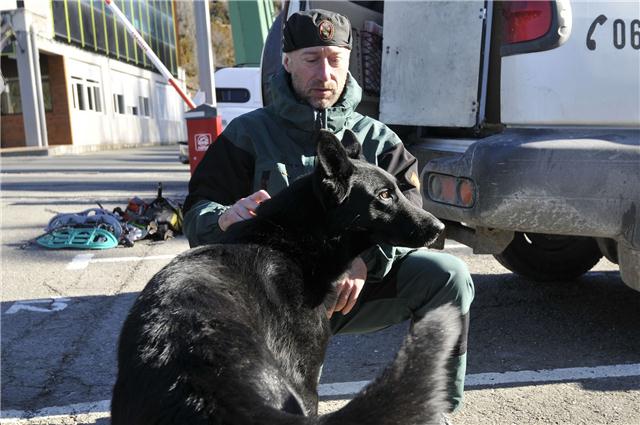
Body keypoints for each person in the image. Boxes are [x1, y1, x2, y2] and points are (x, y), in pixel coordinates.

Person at [182, 9, 474, 421]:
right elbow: (196, 212)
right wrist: (223, 217)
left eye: (334, 59)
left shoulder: (379, 140)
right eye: (311, 59)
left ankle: (437, 409)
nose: (324, 73)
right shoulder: (247, 135)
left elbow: (412, 218)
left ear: (348, 63)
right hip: (274, 299)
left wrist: (364, 261)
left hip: (351, 292)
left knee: (448, 276)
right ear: (286, 62)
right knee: (290, 403)